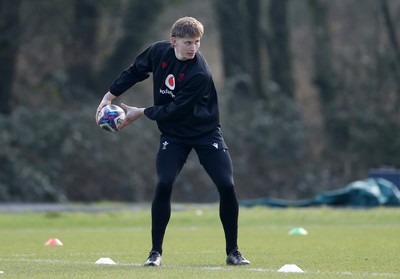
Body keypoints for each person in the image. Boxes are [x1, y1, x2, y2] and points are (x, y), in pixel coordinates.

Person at [96, 16, 250, 267]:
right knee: (164, 183)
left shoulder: (200, 73)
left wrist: (141, 112)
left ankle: (233, 251)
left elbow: (175, 109)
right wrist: (108, 97)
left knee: (227, 185)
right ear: (173, 41)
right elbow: (135, 71)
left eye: (197, 42)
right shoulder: (159, 52)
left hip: (205, 132)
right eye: (188, 42)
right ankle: (155, 253)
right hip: (173, 135)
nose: (193, 48)